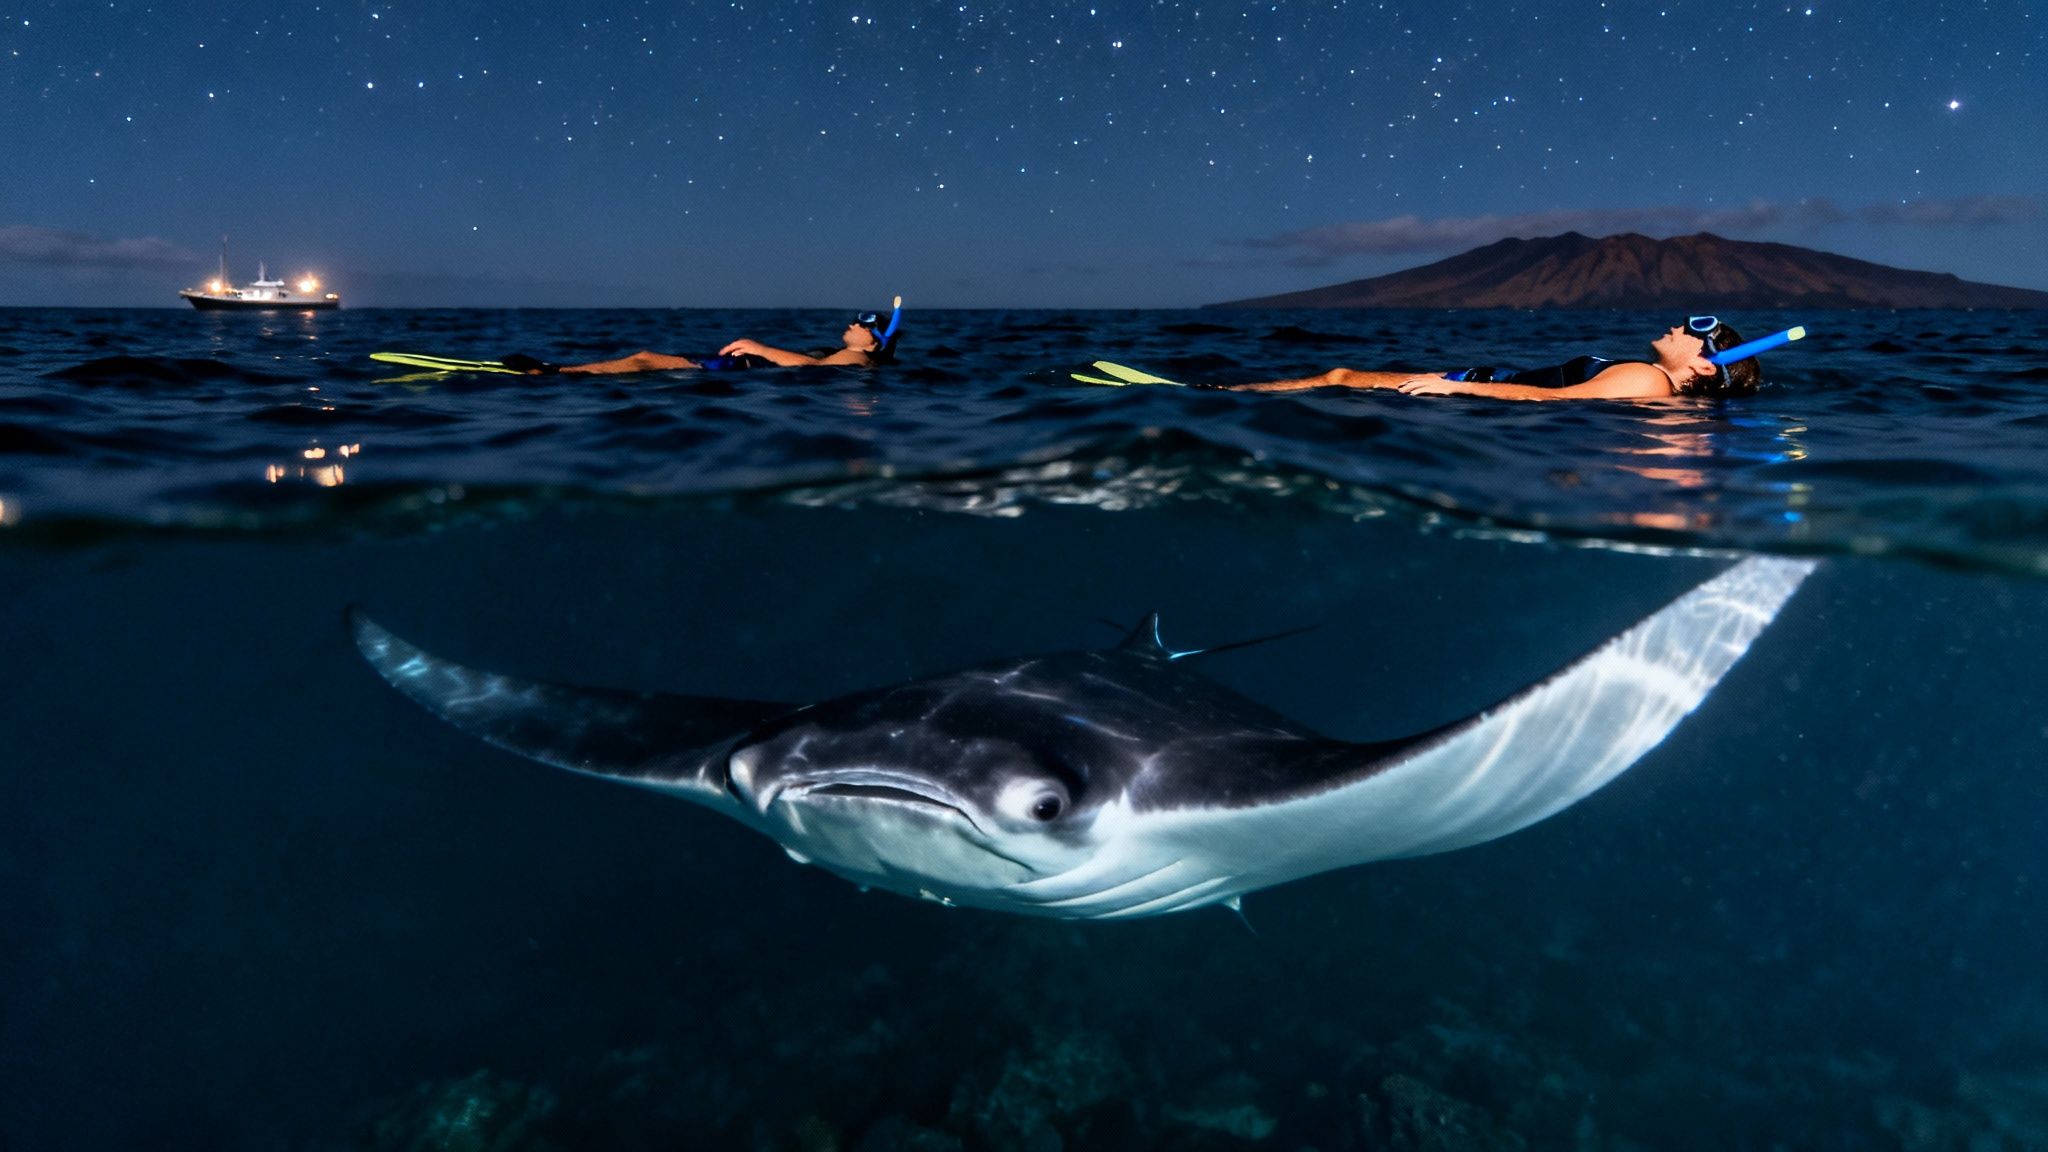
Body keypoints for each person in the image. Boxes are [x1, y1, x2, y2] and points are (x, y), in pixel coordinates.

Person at [1236, 317, 1764, 400]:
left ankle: (1214, 395)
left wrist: (1456, 388)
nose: (1679, 325)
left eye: (1697, 330)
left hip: (1477, 387)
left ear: (1701, 366)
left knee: (1339, 378)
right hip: (1483, 391)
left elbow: (1545, 398)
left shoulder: (1647, 378)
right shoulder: (1660, 393)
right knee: (1341, 380)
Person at [500, 305, 903, 375]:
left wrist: (761, 349)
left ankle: (555, 372)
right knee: (644, 359)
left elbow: (814, 369)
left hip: (740, 370)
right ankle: (559, 370)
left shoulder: (856, 362)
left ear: (872, 343)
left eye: (864, 322)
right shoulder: (853, 358)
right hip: (745, 369)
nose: (854, 322)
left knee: (644, 360)